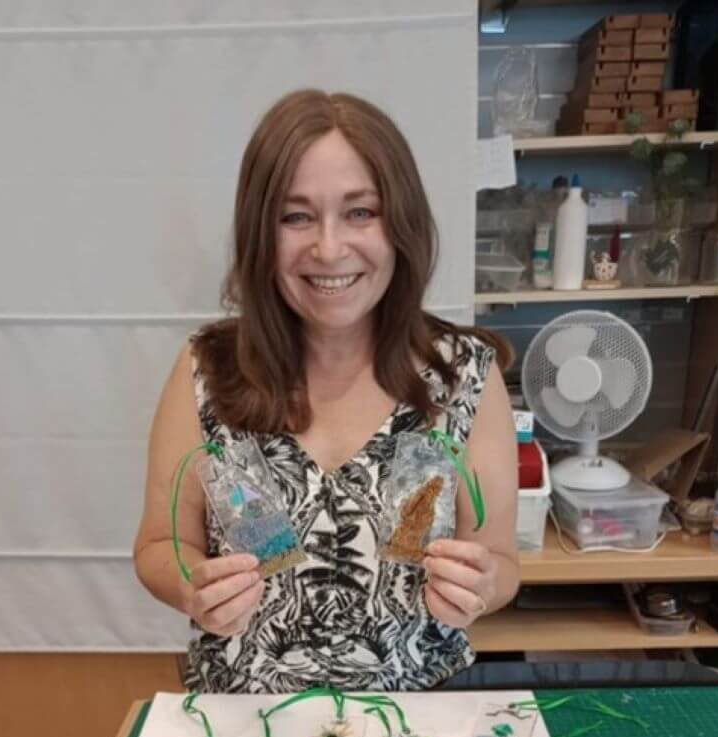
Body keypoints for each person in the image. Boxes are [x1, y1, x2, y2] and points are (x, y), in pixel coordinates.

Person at [132, 90, 519, 693]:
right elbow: (160, 545)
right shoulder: (206, 369)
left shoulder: (464, 375)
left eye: (360, 212)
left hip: (417, 723)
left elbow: (502, 560)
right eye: (296, 216)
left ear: (402, 224)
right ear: (261, 232)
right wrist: (191, 587)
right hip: (247, 727)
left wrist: (482, 586)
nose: (330, 248)